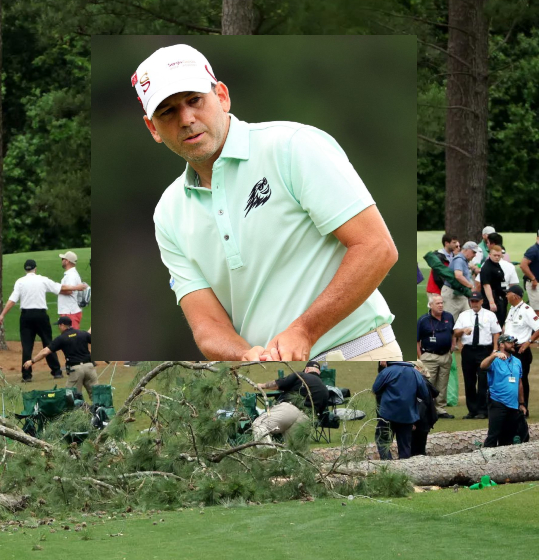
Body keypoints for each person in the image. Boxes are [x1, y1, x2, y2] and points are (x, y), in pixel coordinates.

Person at [139, 44, 399, 362]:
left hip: (358, 355)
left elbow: (376, 248)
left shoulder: (291, 147)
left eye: (195, 100)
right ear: (153, 128)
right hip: (269, 380)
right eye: (167, 111)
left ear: (221, 96)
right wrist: (247, 355)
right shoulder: (168, 212)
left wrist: (305, 330)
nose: (187, 119)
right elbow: (207, 325)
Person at [0, 259, 88, 382]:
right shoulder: (42, 279)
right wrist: (77, 287)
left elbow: (12, 300)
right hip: (41, 315)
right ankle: (56, 371)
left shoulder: (20, 282)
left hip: (26, 316)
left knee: (27, 346)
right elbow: (60, 287)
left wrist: (2, 314)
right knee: (48, 343)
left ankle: (27, 375)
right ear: (35, 268)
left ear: (26, 269)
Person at [251, 361, 329, 444]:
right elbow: (320, 413)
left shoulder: (301, 375)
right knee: (292, 449)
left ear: (306, 369)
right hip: (306, 420)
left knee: (259, 424)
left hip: (289, 410)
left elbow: (277, 384)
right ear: (319, 372)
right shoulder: (325, 389)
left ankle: (266, 449)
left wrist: (262, 385)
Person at [453, 292, 500, 420]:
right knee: (469, 381)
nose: (473, 303)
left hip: (484, 350)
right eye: (472, 301)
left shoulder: (489, 315)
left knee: (483, 380)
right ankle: (472, 410)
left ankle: (482, 409)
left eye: (476, 301)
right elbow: (456, 332)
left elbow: (496, 333)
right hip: (468, 350)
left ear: (481, 301)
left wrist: (495, 349)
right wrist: (463, 330)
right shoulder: (464, 315)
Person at [26, 317, 96, 400]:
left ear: (62, 325)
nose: (59, 327)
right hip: (89, 367)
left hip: (76, 370)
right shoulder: (82, 333)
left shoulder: (61, 338)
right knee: (96, 395)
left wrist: (32, 361)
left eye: (59, 325)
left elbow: (45, 352)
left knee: (72, 397)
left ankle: (81, 412)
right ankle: (103, 411)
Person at [372, 361, 431, 460]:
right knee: (405, 445)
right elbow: (424, 394)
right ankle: (404, 468)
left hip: (388, 413)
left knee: (382, 440)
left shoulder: (387, 372)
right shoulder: (415, 373)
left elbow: (375, 388)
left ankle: (387, 464)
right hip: (407, 414)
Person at [480, 334, 528, 447]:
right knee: (494, 434)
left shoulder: (517, 361)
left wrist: (521, 403)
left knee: (508, 437)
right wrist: (494, 355)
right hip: (497, 401)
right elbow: (482, 366)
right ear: (502, 344)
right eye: (510, 342)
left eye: (513, 343)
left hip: (513, 404)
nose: (513, 345)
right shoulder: (494, 360)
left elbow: (519, 383)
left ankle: (503, 462)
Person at [416, 295, 455, 418]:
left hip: (445, 355)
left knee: (442, 384)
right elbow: (417, 340)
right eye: (437, 303)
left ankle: (440, 409)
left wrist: (453, 346)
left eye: (442, 303)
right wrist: (421, 357)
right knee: (428, 383)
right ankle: (426, 409)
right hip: (429, 356)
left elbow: (453, 333)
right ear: (431, 305)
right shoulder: (423, 320)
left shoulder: (449, 317)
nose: (441, 305)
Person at [502, 285, 539, 415]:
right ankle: (512, 407)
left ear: (516, 296)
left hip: (520, 350)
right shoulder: (512, 309)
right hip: (509, 349)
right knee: (510, 378)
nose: (506, 296)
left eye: (508, 293)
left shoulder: (526, 310)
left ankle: (524, 408)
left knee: (521, 380)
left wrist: (529, 342)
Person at [442, 241, 477, 320]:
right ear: (466, 250)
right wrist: (470, 286)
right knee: (450, 319)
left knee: (468, 318)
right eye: (473, 252)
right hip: (452, 294)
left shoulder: (464, 260)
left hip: (460, 294)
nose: (475, 255)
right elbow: (458, 276)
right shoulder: (459, 260)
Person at [478, 246, 509, 327]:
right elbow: (486, 285)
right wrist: (491, 302)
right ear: (490, 254)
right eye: (495, 255)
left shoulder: (496, 265)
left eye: (499, 255)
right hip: (492, 299)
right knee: (494, 324)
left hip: (500, 297)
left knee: (501, 322)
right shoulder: (487, 268)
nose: (497, 257)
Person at [57, 251, 86, 328]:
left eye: (63, 259)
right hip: (70, 310)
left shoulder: (71, 275)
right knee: (69, 337)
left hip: (70, 311)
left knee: (72, 337)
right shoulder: (71, 274)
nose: (62, 261)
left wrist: (55, 289)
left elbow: (69, 291)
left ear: (67, 261)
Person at [426, 234, 457, 304]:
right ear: (446, 243)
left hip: (446, 290)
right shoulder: (437, 257)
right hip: (435, 290)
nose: (456, 245)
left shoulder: (454, 256)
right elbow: (437, 276)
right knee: (435, 312)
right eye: (454, 243)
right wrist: (446, 289)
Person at [520, 230, 539, 307]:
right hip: (535, 284)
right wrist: (533, 279)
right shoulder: (533, 250)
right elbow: (523, 265)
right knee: (537, 310)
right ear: (537, 238)